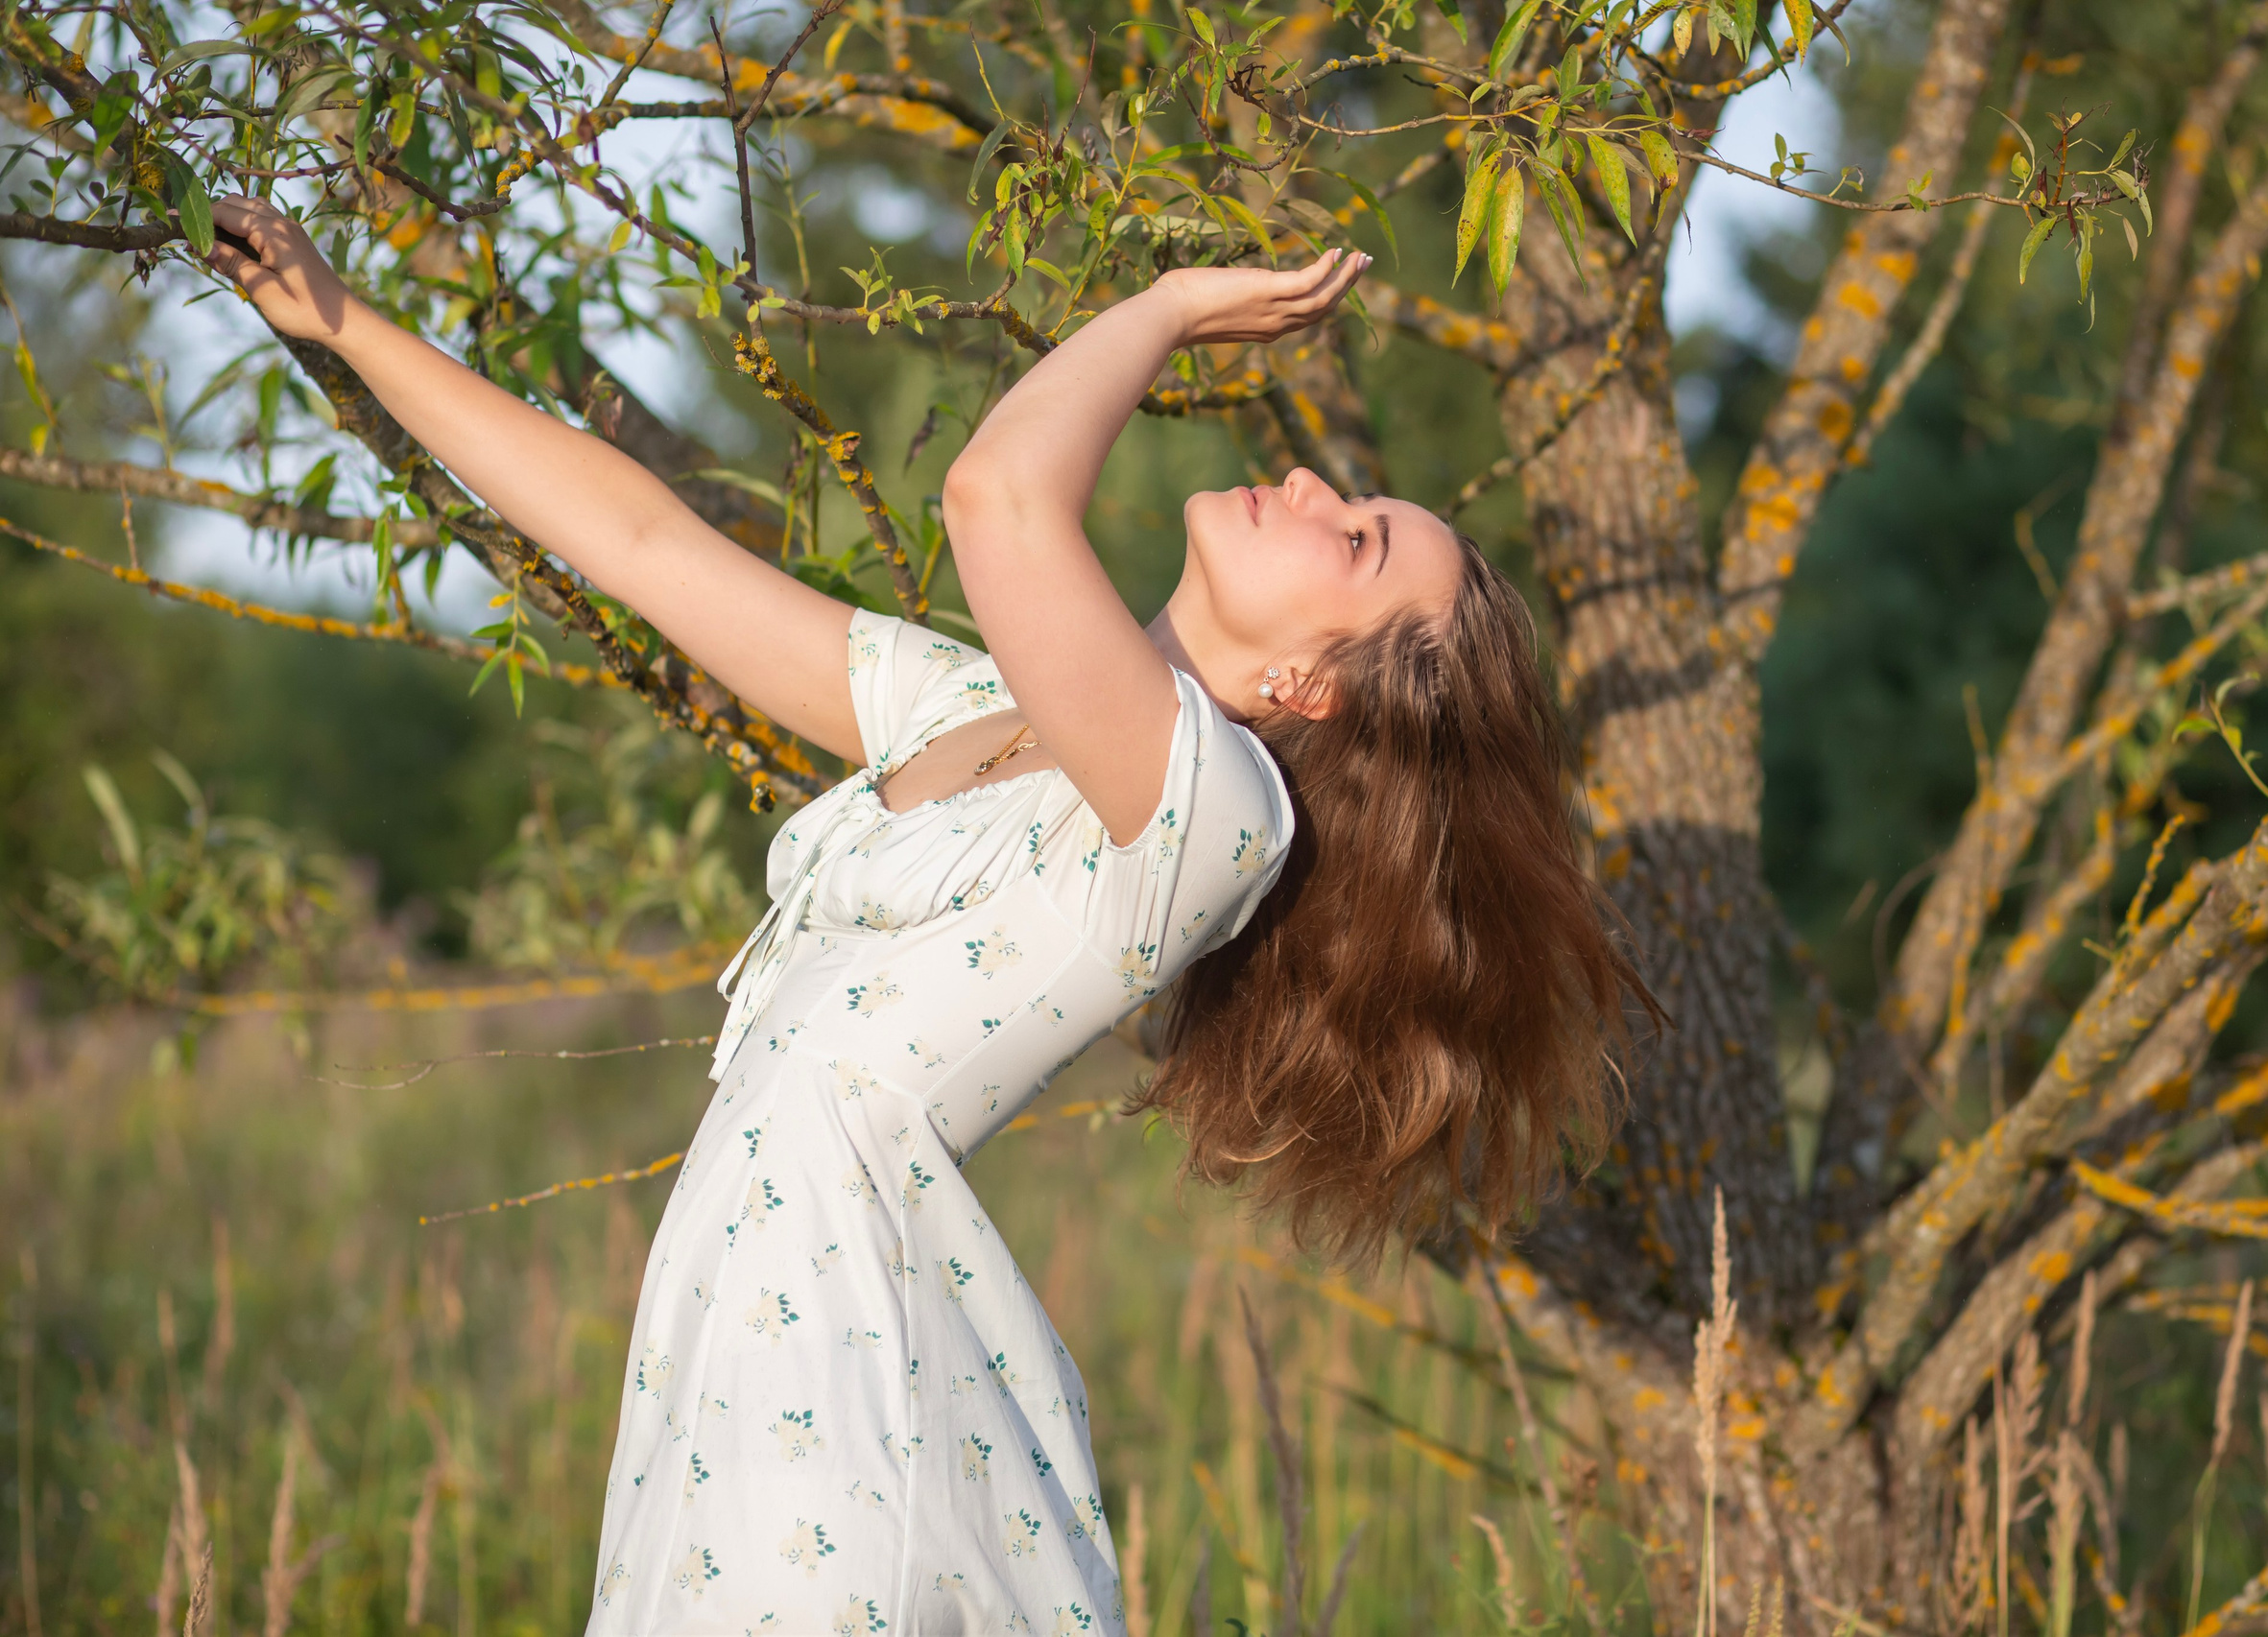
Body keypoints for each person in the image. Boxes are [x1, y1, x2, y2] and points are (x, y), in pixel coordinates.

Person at [208, 195, 1643, 1635]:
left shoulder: (1215, 819)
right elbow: (641, 541)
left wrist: (1165, 307)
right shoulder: (968, 717)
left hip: (849, 1382)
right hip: (742, 1346)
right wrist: (340, 322)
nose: (1320, 482)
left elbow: (995, 500)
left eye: (1359, 541)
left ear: (1317, 689)